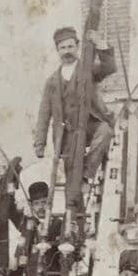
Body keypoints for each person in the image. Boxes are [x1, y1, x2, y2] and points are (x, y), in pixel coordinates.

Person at [32, 24, 117, 185]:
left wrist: (100, 43)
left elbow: (110, 67)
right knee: (71, 182)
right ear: (57, 51)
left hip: (90, 125)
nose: (67, 51)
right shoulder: (51, 82)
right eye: (63, 48)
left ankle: (87, 173)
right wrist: (39, 144)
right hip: (67, 134)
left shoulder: (88, 70)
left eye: (70, 46)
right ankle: (75, 194)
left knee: (105, 130)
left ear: (77, 46)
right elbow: (44, 114)